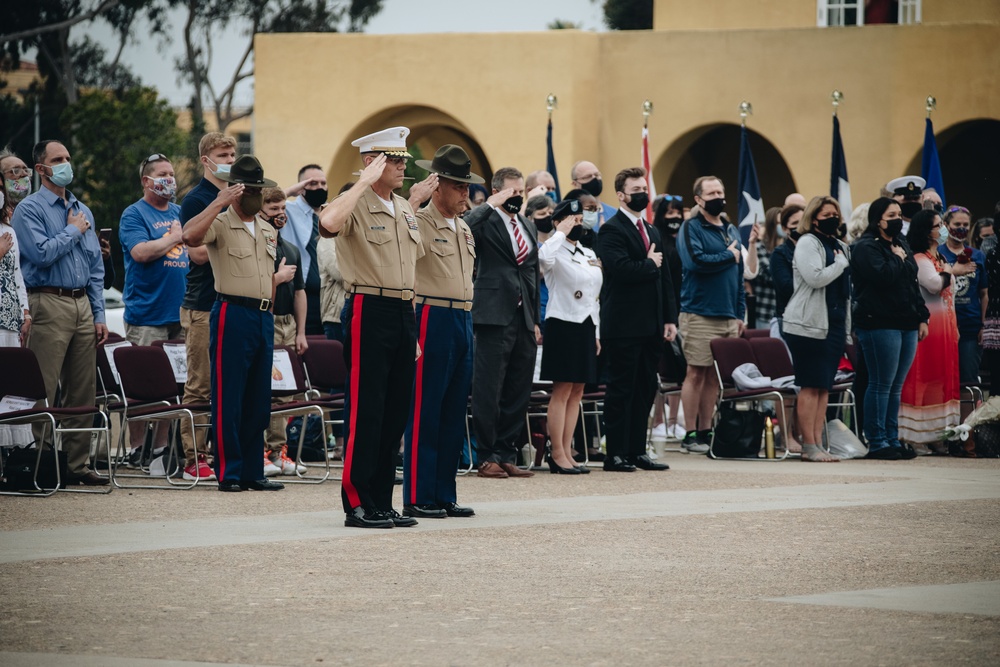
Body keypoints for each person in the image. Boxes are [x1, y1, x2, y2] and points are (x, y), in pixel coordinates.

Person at [317, 126, 423, 529]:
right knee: (367, 410)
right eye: (393, 160)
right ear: (370, 162)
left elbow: (410, 268)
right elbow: (327, 223)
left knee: (396, 410)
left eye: (401, 160)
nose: (401, 166)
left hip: (402, 312)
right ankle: (358, 502)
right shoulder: (353, 202)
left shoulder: (404, 208)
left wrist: (411, 330)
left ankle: (382, 500)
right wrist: (360, 184)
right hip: (369, 306)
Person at [182, 155, 287, 493]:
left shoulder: (268, 229)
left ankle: (254, 469)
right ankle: (231, 470)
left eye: (259, 188)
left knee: (259, 396)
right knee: (231, 394)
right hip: (233, 311)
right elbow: (190, 237)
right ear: (236, 191)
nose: (256, 195)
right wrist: (218, 202)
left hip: (262, 315)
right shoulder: (222, 222)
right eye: (250, 189)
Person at [11, 140, 108, 485]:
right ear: (41, 169)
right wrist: (72, 230)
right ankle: (42, 464)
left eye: (68, 157)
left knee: (83, 390)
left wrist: (99, 314)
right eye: (58, 159)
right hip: (48, 300)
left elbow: (95, 266)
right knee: (44, 387)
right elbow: (39, 254)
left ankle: (77, 465)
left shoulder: (82, 207)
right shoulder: (30, 209)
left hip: (82, 301)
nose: (66, 163)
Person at [401, 144, 481, 519]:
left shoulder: (464, 227)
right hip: (432, 315)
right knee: (425, 408)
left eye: (467, 186)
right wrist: (413, 204)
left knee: (452, 411)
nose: (465, 193)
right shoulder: (419, 220)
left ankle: (444, 492)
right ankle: (419, 493)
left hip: (463, 318)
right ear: (437, 186)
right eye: (458, 185)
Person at [597, 167, 677, 472]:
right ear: (621, 195)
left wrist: (669, 317)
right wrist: (647, 263)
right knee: (621, 389)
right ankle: (614, 453)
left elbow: (665, 278)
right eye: (636, 189)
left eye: (645, 187)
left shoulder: (652, 230)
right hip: (623, 324)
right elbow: (619, 268)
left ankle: (636, 450)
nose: (643, 193)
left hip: (652, 324)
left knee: (645, 388)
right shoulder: (612, 229)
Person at [118, 153, 194, 474]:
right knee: (144, 386)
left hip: (181, 314)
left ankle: (161, 449)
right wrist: (174, 237)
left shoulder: (179, 211)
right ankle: (137, 449)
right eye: (163, 174)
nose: (170, 180)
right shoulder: (134, 214)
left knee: (171, 388)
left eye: (172, 174)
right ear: (147, 181)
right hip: (147, 315)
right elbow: (140, 252)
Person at [464, 166, 541, 480]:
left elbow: (532, 272)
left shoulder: (526, 225)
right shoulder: (486, 219)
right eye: (511, 191)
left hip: (523, 316)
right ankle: (486, 455)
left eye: (521, 191)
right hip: (493, 313)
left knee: (518, 387)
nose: (517, 197)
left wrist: (535, 319)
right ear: (498, 191)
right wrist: (490, 205)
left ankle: (507, 451)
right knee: (489, 387)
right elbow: (463, 227)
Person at [849, 197, 929, 460]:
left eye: (898, 214)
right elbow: (883, 277)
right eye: (890, 215)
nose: (896, 219)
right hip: (878, 322)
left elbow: (911, 280)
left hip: (906, 322)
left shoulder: (900, 243)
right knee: (881, 383)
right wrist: (897, 259)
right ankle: (877, 440)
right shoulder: (864, 247)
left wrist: (922, 316)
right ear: (877, 220)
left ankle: (892, 438)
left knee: (896, 386)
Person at [178, 132, 237, 478]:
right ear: (206, 160)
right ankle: (193, 457)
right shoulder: (197, 200)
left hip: (233, 303)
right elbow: (197, 252)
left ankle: (225, 452)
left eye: (232, 153)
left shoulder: (242, 197)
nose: (229, 159)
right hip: (202, 304)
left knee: (230, 382)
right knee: (200, 384)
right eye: (223, 154)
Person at [676, 175, 745, 454]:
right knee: (696, 372)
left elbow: (739, 276)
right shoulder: (691, 227)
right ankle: (690, 432)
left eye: (721, 191)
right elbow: (695, 262)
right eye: (712, 192)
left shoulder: (730, 229)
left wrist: (740, 312)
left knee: (715, 377)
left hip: (728, 313)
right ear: (698, 199)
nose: (718, 196)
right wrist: (728, 256)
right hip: (700, 311)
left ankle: (707, 429)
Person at [782, 196, 851, 462]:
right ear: (814, 217)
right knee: (810, 385)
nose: (832, 217)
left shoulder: (839, 245)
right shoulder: (807, 242)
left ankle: (818, 442)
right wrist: (840, 265)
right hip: (807, 324)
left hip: (832, 324)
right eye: (826, 214)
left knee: (824, 386)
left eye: (835, 213)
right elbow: (815, 278)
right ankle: (808, 445)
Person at [899, 210, 974, 453]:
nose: (942, 228)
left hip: (946, 326)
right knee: (924, 377)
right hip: (928, 327)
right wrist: (953, 271)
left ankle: (936, 434)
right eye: (937, 225)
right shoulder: (920, 258)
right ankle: (916, 436)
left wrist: (956, 328)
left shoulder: (939, 258)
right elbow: (933, 284)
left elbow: (948, 296)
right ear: (926, 231)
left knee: (940, 380)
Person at [537, 198, 603, 474]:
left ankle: (569, 450)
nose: (578, 224)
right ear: (558, 221)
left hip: (585, 325)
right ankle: (557, 453)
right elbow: (543, 258)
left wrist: (596, 330)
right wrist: (560, 232)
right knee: (562, 390)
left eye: (580, 220)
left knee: (578, 391)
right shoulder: (554, 248)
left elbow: (594, 297)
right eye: (572, 220)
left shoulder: (587, 251)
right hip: (562, 323)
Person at [260, 187, 309, 476]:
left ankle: (279, 450)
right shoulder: (257, 245)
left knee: (285, 393)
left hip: (287, 322)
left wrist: (301, 331)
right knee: (263, 389)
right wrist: (276, 279)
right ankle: (262, 451)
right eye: (273, 210)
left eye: (282, 209)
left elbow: (300, 291)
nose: (280, 215)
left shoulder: (289, 248)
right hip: (264, 319)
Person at [937, 205, 989, 385]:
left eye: (966, 224)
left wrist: (983, 325)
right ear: (945, 224)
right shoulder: (937, 253)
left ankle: (968, 415)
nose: (962, 228)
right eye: (957, 223)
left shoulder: (978, 256)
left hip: (970, 327)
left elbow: (984, 293)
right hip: (943, 325)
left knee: (967, 380)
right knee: (942, 380)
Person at [650, 195, 685, 441]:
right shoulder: (658, 240)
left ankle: (674, 420)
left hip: (683, 310)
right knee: (660, 370)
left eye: (678, 213)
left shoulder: (684, 239)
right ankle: (659, 420)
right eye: (669, 213)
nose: (674, 218)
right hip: (663, 313)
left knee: (680, 369)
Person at [0, 177, 32, 447]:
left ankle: (14, 452)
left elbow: (17, 275)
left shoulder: (7, 229)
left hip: (10, 317)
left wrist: (26, 312)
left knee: (10, 381)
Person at [283, 164, 329, 335]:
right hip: (299, 297)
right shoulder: (287, 209)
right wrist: (290, 191)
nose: (320, 188)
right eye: (312, 183)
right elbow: (265, 202)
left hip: (328, 300)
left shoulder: (330, 212)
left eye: (323, 183)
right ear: (301, 188)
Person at [746, 206, 782, 330]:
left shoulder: (790, 249)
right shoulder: (759, 247)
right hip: (764, 312)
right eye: (778, 223)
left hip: (785, 315)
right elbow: (768, 276)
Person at [570, 160, 617, 229]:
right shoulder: (569, 217)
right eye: (587, 176)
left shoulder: (615, 214)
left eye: (597, 175)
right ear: (575, 184)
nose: (594, 178)